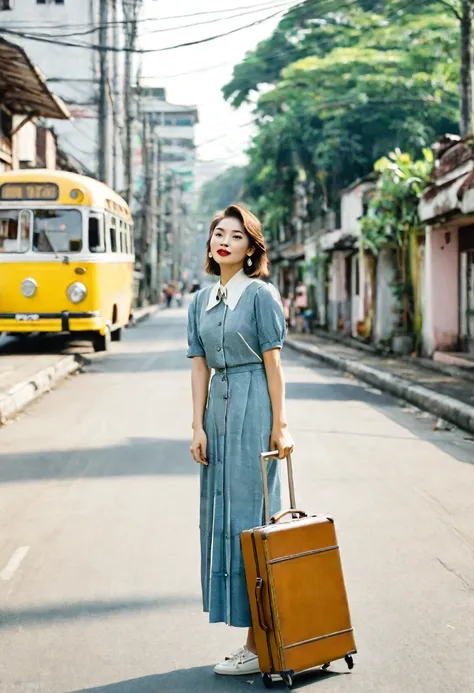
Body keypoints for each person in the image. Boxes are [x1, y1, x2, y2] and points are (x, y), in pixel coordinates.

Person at [187, 204, 294, 677]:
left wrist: (282, 424)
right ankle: (255, 636)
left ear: (251, 249)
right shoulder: (199, 301)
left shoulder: (261, 295)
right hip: (218, 409)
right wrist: (197, 426)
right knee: (222, 516)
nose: (224, 240)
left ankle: (260, 641)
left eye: (235, 235)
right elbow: (198, 366)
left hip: (254, 406)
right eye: (217, 233)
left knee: (253, 517)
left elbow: (274, 364)